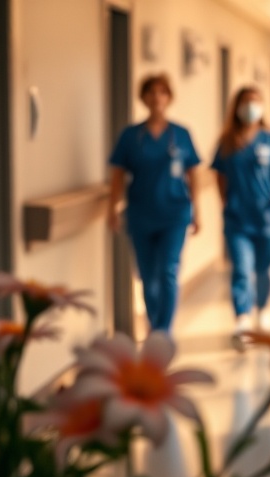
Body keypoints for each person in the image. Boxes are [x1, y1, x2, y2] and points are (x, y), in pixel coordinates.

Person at [107, 74, 201, 334]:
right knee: (148, 277)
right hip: (140, 214)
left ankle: (164, 332)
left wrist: (197, 212)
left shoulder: (181, 134)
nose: (156, 97)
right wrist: (112, 209)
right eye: (151, 92)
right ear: (143, 98)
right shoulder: (130, 136)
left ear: (169, 98)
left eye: (162, 92)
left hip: (175, 214)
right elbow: (117, 176)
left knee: (169, 271)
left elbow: (193, 175)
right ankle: (154, 323)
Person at [212, 86, 270, 340]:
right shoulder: (227, 142)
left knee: (264, 269)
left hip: (267, 217)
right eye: (246, 102)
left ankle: (264, 308)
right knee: (240, 267)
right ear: (236, 108)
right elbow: (219, 174)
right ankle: (242, 319)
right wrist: (225, 200)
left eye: (255, 102)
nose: (250, 107)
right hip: (238, 218)